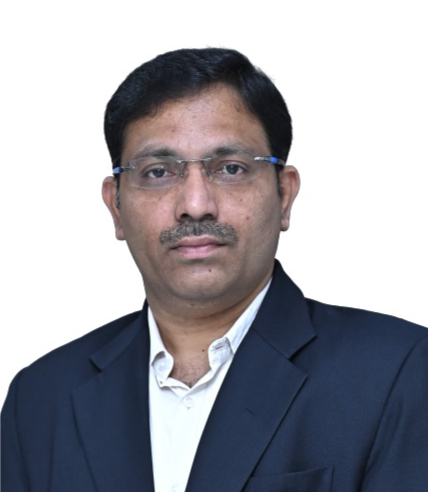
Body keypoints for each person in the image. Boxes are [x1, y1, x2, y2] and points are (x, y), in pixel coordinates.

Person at [0, 47, 427, 492]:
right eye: (158, 172)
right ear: (116, 206)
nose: (195, 205)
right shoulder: (41, 399)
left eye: (230, 168)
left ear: (284, 195)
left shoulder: (398, 372)